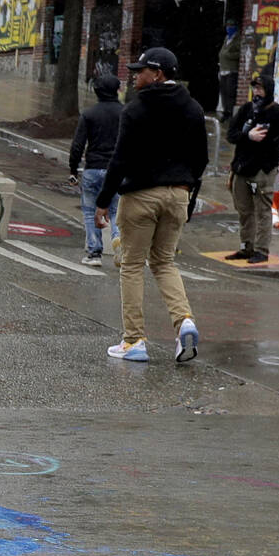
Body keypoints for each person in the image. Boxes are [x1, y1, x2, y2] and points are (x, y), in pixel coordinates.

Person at [95, 46, 206, 364]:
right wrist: (189, 196)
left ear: (158, 74)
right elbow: (200, 159)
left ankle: (134, 341)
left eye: (140, 70)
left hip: (141, 195)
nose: (134, 75)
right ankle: (184, 321)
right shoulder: (194, 108)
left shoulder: (136, 107)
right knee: (164, 262)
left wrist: (104, 201)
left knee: (131, 265)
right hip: (178, 195)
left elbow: (120, 158)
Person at [224, 73, 279, 263]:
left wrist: (268, 166)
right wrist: (247, 135)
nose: (257, 92)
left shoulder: (276, 112)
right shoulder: (246, 109)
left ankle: (261, 249)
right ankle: (246, 246)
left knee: (263, 210)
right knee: (244, 210)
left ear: (268, 91)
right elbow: (231, 134)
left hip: (262, 170)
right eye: (255, 88)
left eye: (260, 89)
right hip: (242, 168)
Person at [69, 72, 122, 266]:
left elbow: (77, 145)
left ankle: (94, 253)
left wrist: (73, 170)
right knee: (117, 210)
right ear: (118, 90)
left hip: (93, 168)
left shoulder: (89, 114)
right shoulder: (125, 114)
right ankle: (118, 239)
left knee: (90, 211)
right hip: (117, 169)